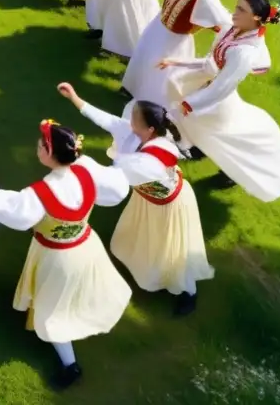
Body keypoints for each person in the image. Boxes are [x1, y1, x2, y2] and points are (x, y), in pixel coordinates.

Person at [0, 120, 131, 389]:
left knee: (51, 312)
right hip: (86, 246)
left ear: (48, 151)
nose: (37, 146)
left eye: (40, 143)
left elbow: (8, 208)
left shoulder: (40, 194)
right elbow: (116, 189)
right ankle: (75, 324)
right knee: (78, 292)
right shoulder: (87, 172)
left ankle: (70, 365)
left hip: (57, 257)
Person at [57, 84, 213, 316]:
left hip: (170, 206)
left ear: (149, 129)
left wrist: (74, 158)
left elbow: (112, 177)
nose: (129, 120)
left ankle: (188, 291)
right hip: (148, 199)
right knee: (142, 235)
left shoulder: (149, 162)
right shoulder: (136, 133)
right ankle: (141, 265)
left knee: (172, 248)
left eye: (135, 117)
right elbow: (109, 121)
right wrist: (75, 98)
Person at [162, 0, 280, 199]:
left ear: (256, 17)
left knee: (223, 138)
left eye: (241, 10)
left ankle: (234, 172)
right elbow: (209, 64)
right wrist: (176, 62)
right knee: (202, 127)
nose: (235, 13)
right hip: (209, 92)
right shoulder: (232, 31)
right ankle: (197, 148)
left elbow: (223, 86)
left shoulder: (244, 52)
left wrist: (190, 103)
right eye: (236, 7)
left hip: (218, 100)